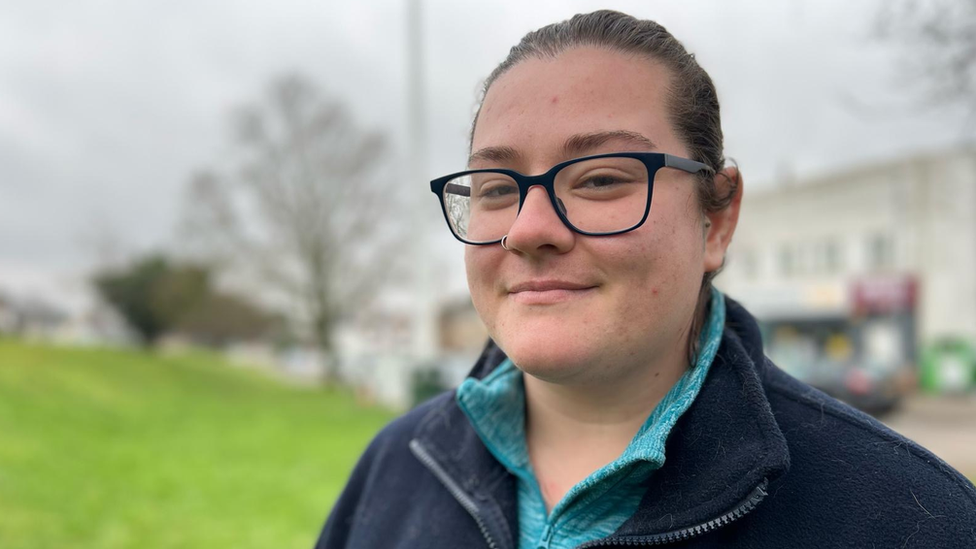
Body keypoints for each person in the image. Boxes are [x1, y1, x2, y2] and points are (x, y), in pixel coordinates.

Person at [316, 10, 976, 549]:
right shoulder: (395, 468)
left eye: (602, 178)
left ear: (716, 218)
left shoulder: (910, 520)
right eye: (495, 187)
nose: (527, 229)